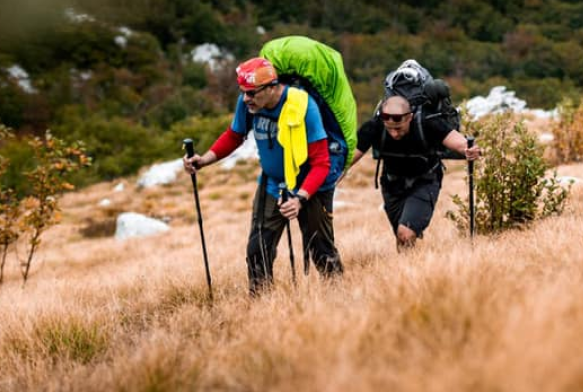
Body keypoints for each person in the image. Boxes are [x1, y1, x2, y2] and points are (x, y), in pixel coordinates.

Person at [183, 57, 343, 295]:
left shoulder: (303, 106)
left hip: (310, 188)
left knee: (321, 249)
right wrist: (204, 160)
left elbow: (321, 163)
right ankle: (261, 305)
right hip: (271, 184)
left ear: (272, 87)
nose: (245, 99)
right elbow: (235, 135)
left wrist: (300, 198)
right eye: (243, 92)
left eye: (251, 93)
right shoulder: (248, 104)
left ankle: (338, 298)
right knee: (257, 250)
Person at [344, 95, 480, 251]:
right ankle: (407, 270)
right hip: (392, 185)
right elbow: (347, 160)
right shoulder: (374, 126)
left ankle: (415, 268)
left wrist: (468, 149)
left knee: (406, 233)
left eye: (398, 128)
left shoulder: (428, 122)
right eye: (389, 129)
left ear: (410, 117)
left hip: (425, 181)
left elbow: (457, 141)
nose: (394, 134)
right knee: (401, 236)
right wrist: (329, 180)